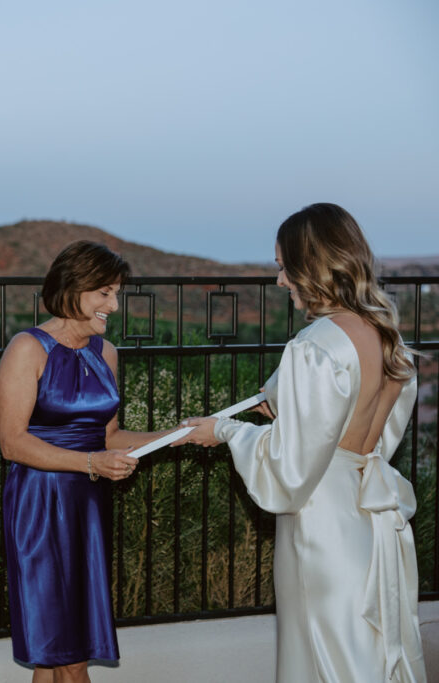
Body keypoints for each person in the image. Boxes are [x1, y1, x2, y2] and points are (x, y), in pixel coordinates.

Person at [181, 203, 425, 682]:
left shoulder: (313, 346)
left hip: (321, 525)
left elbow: (290, 473)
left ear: (310, 265)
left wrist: (227, 431)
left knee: (320, 658)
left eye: (282, 267)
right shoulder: (383, 333)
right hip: (367, 510)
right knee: (363, 655)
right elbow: (370, 430)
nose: (279, 281)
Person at [0, 241, 180, 683]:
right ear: (73, 289)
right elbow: (12, 444)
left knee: (57, 655)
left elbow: (111, 436)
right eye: (104, 293)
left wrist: (179, 435)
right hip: (39, 504)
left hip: (88, 508)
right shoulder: (28, 348)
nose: (113, 306)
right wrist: (92, 464)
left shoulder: (106, 354)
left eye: (116, 293)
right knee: (67, 654)